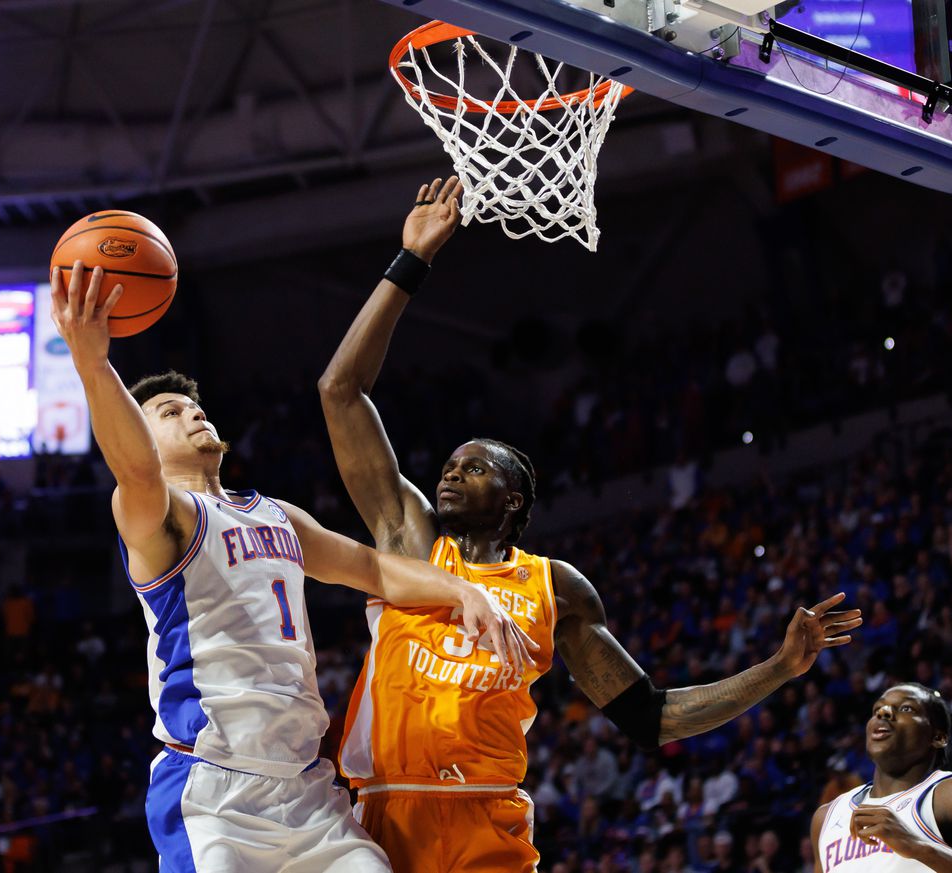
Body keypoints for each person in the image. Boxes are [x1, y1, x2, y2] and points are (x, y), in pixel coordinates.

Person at [317, 175, 864, 873]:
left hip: (487, 820)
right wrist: (412, 260)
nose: (450, 473)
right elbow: (340, 392)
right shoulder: (412, 543)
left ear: (513, 499)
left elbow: (654, 716)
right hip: (384, 816)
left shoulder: (559, 589)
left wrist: (780, 668)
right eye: (449, 465)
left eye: (474, 467)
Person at [48, 261, 537, 872]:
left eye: (193, 407)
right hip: (213, 792)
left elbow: (375, 571)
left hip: (309, 794)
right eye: (169, 413)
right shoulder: (156, 518)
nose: (193, 414)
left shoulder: (277, 516)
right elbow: (137, 469)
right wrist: (94, 366)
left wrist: (467, 593)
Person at [811, 683, 952, 871]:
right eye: (877, 710)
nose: (884, 712)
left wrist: (919, 848)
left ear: (938, 737)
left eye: (906, 708)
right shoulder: (826, 817)